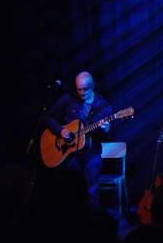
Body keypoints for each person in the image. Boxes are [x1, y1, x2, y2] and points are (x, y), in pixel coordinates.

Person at [43, 71, 112, 210]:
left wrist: (105, 130)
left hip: (91, 154)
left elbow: (106, 138)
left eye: (85, 89)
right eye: (79, 89)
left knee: (92, 193)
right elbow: (48, 117)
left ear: (93, 86)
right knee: (67, 191)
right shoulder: (69, 98)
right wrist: (60, 131)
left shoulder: (103, 107)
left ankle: (91, 219)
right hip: (69, 154)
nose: (82, 93)